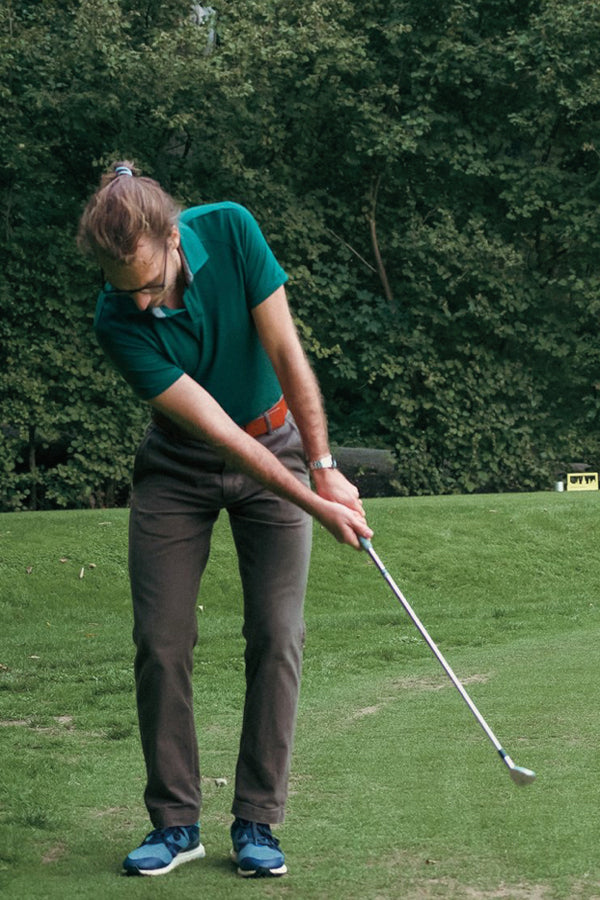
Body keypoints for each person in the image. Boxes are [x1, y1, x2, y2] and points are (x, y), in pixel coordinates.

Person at [77, 161, 372, 878]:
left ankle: (257, 823)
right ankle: (176, 825)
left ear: (173, 239)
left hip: (279, 442)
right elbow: (222, 436)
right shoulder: (117, 320)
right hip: (180, 468)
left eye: (151, 284)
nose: (144, 304)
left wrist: (325, 465)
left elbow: (285, 352)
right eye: (129, 293)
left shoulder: (232, 229)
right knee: (162, 639)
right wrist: (319, 506)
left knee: (278, 633)